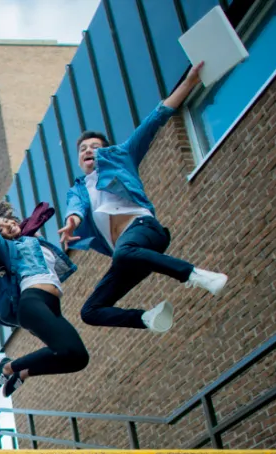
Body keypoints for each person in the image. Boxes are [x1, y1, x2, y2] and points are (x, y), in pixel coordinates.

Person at [59, 62, 228, 333]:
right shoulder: (78, 188)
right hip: (128, 255)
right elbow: (75, 207)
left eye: (94, 147)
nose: (88, 151)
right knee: (90, 311)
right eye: (83, 149)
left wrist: (189, 82)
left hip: (144, 229)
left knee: (124, 252)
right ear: (79, 159)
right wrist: (72, 222)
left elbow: (153, 121)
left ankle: (195, 275)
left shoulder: (122, 156)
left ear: (106, 150)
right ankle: (148, 319)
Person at [0, 193, 88, 398]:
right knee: (63, 348)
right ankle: (7, 368)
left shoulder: (34, 240)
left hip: (52, 306)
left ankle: (23, 373)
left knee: (78, 358)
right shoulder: (9, 249)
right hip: (32, 303)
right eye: (0, 229)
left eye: (7, 221)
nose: (7, 226)